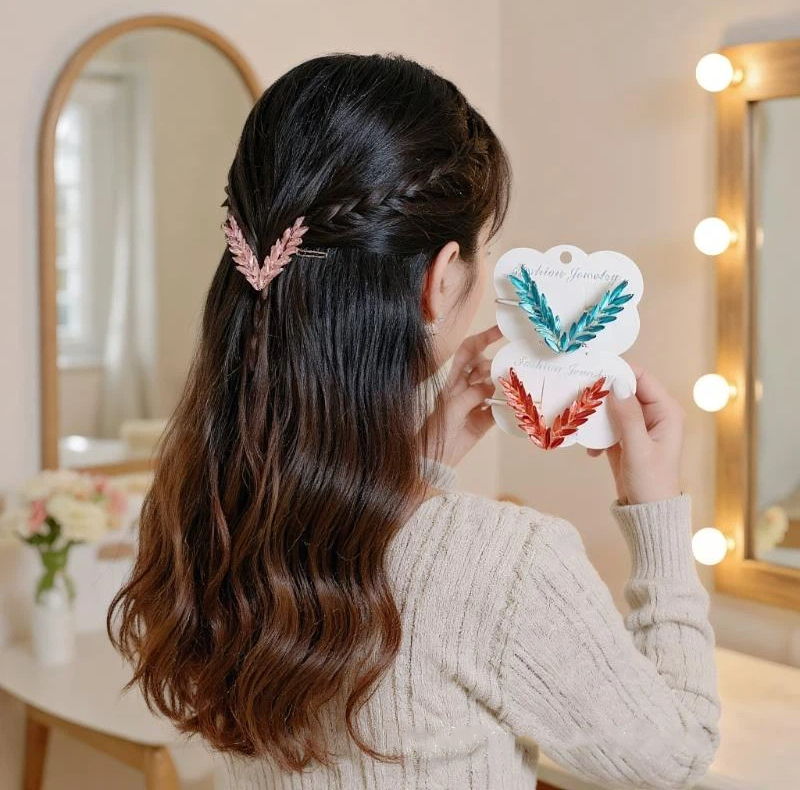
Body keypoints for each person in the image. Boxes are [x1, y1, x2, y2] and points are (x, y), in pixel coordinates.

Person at [108, 52, 720, 790]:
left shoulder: (201, 505)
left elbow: (366, 572)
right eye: (485, 250)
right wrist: (657, 518)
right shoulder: (504, 563)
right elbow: (678, 756)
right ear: (441, 275)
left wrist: (426, 458)